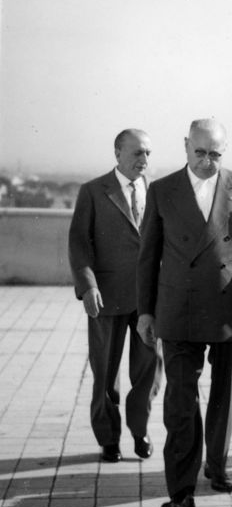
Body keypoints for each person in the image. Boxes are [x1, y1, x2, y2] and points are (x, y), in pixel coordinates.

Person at [137, 119, 232, 507]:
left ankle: (216, 463)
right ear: (185, 146)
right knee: (180, 403)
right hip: (178, 310)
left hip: (229, 306)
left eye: (215, 154)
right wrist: (146, 311)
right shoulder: (162, 191)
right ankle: (181, 493)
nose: (206, 161)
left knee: (224, 394)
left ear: (225, 151)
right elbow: (147, 256)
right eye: (199, 152)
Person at [68, 129, 162, 464]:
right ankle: (109, 438)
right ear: (117, 153)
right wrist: (88, 285)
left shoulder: (159, 191)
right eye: (137, 153)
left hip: (149, 299)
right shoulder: (93, 192)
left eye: (148, 153)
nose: (144, 161)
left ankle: (140, 430)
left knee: (149, 368)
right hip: (106, 297)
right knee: (105, 371)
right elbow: (79, 244)